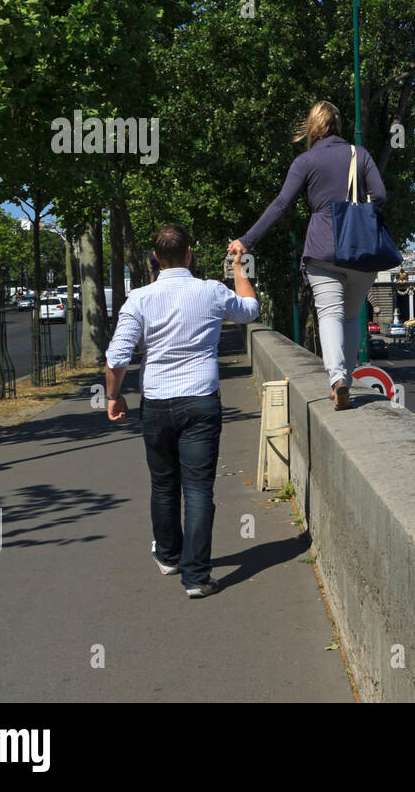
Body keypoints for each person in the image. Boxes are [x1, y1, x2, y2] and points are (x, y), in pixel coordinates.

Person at [105, 224, 259, 599]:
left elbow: (117, 356)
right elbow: (250, 311)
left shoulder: (139, 298)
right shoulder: (210, 290)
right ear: (189, 253)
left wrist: (114, 396)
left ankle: (169, 555)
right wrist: (238, 269)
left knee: (163, 483)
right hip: (201, 399)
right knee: (198, 488)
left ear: (153, 259)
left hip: (157, 402)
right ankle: (196, 577)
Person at [228, 100, 386, 410]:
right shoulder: (360, 154)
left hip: (323, 248)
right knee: (352, 317)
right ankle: (347, 381)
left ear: (312, 127)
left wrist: (247, 241)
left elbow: (281, 204)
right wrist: (354, 206)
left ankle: (337, 379)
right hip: (361, 250)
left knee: (329, 314)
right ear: (338, 125)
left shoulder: (306, 161)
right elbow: (379, 196)